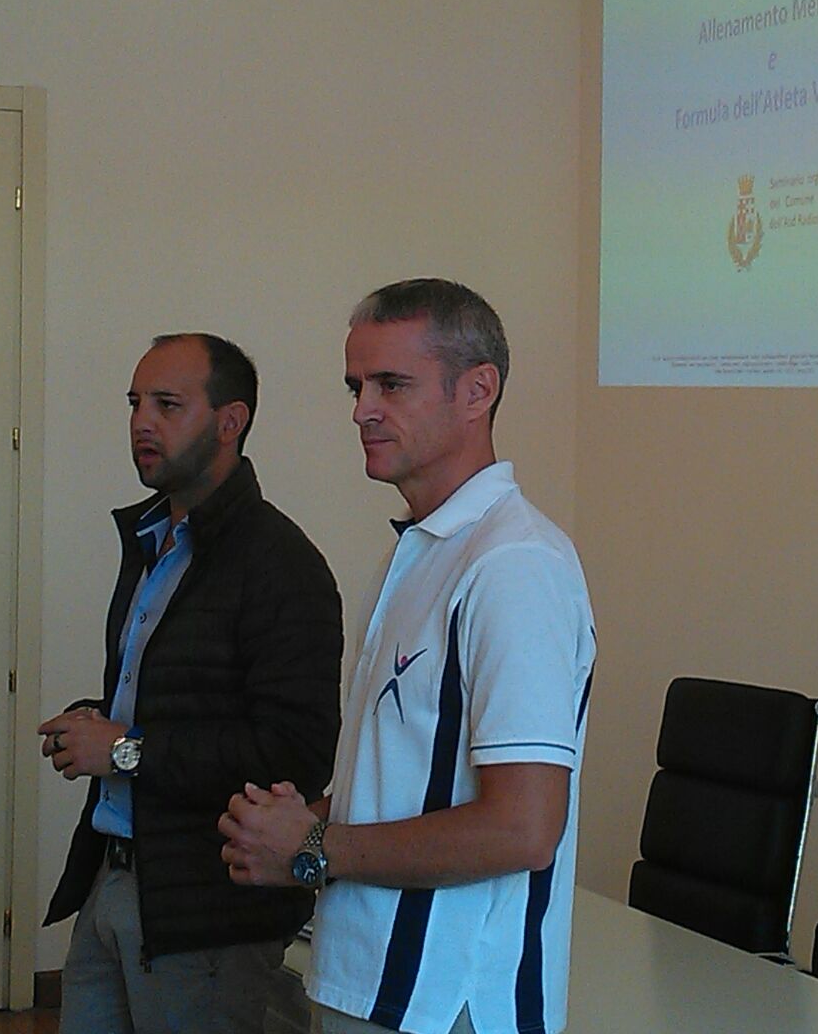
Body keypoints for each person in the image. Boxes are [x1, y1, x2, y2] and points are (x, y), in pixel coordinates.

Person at [220, 280, 596, 1034]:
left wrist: (314, 844)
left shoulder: (514, 565)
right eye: (356, 386)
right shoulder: (425, 550)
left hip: (446, 1003)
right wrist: (294, 825)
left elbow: (522, 829)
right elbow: (409, 782)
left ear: (477, 391)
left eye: (391, 384)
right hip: (371, 984)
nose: (362, 409)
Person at [39, 332, 343, 1033]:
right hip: (115, 879)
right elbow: (183, 701)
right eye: (135, 403)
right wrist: (99, 722)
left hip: (208, 915)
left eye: (167, 404)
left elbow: (295, 755)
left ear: (230, 421)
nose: (142, 422)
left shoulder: (281, 564)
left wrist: (123, 749)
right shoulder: (156, 543)